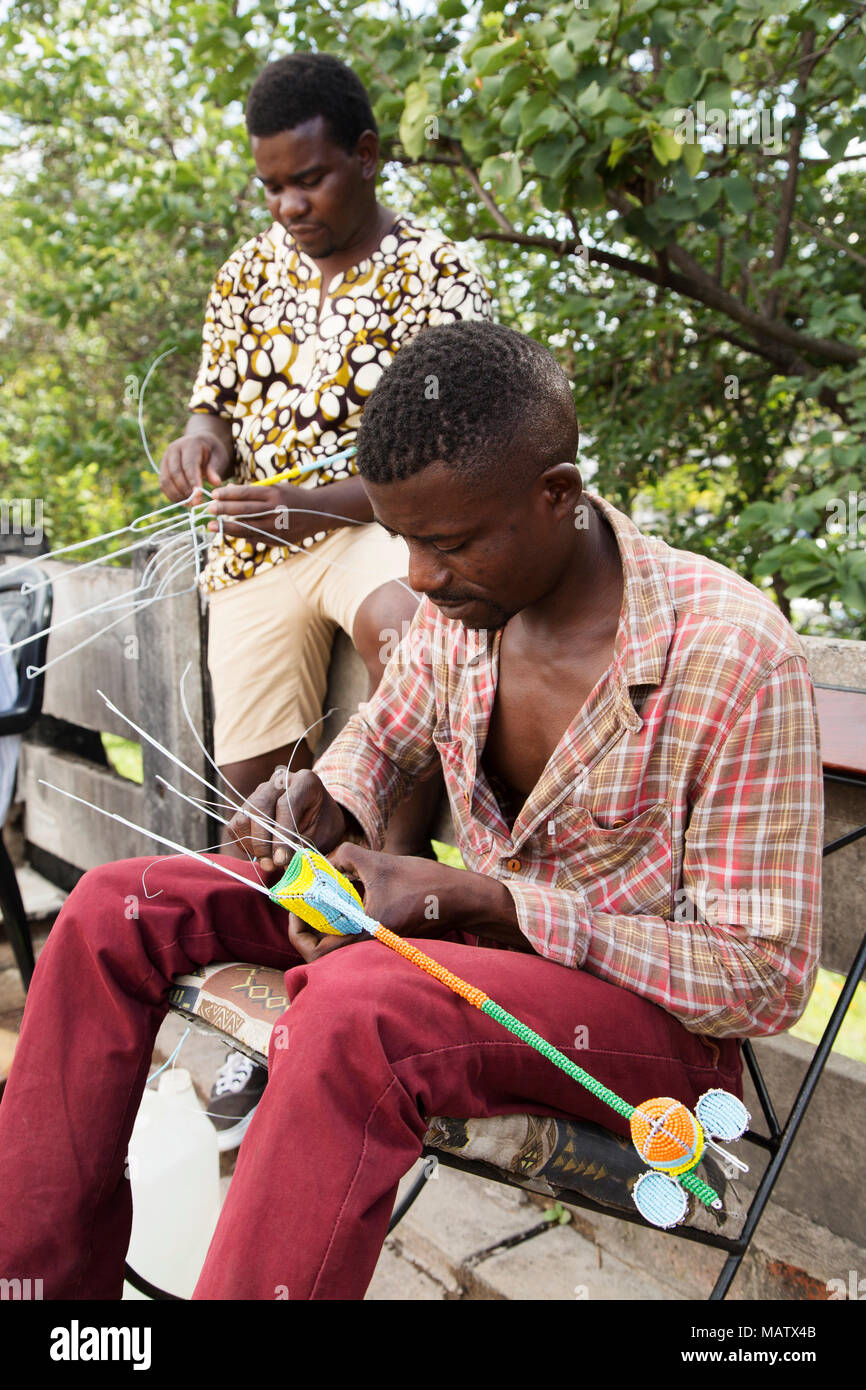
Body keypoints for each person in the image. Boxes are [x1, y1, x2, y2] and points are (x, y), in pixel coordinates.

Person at [0, 322, 822, 1301]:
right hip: (457, 971)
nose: (419, 580)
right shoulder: (462, 609)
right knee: (113, 907)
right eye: (403, 543)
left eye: (446, 544)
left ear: (554, 495)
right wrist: (321, 795)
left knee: (357, 1011)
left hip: (644, 1040)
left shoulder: (728, 655)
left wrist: (481, 901)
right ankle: (37, 1293)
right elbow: (380, 741)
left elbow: (761, 979)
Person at [159, 52, 491, 1145]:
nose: (290, 205)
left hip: (373, 526)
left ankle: (380, 926)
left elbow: (452, 457)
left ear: (366, 154)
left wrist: (306, 505)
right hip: (257, 553)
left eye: (310, 179)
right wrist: (200, 441)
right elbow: (214, 403)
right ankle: (278, 1017)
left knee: (406, 632)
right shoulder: (247, 273)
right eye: (271, 187)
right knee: (257, 799)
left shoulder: (438, 274)